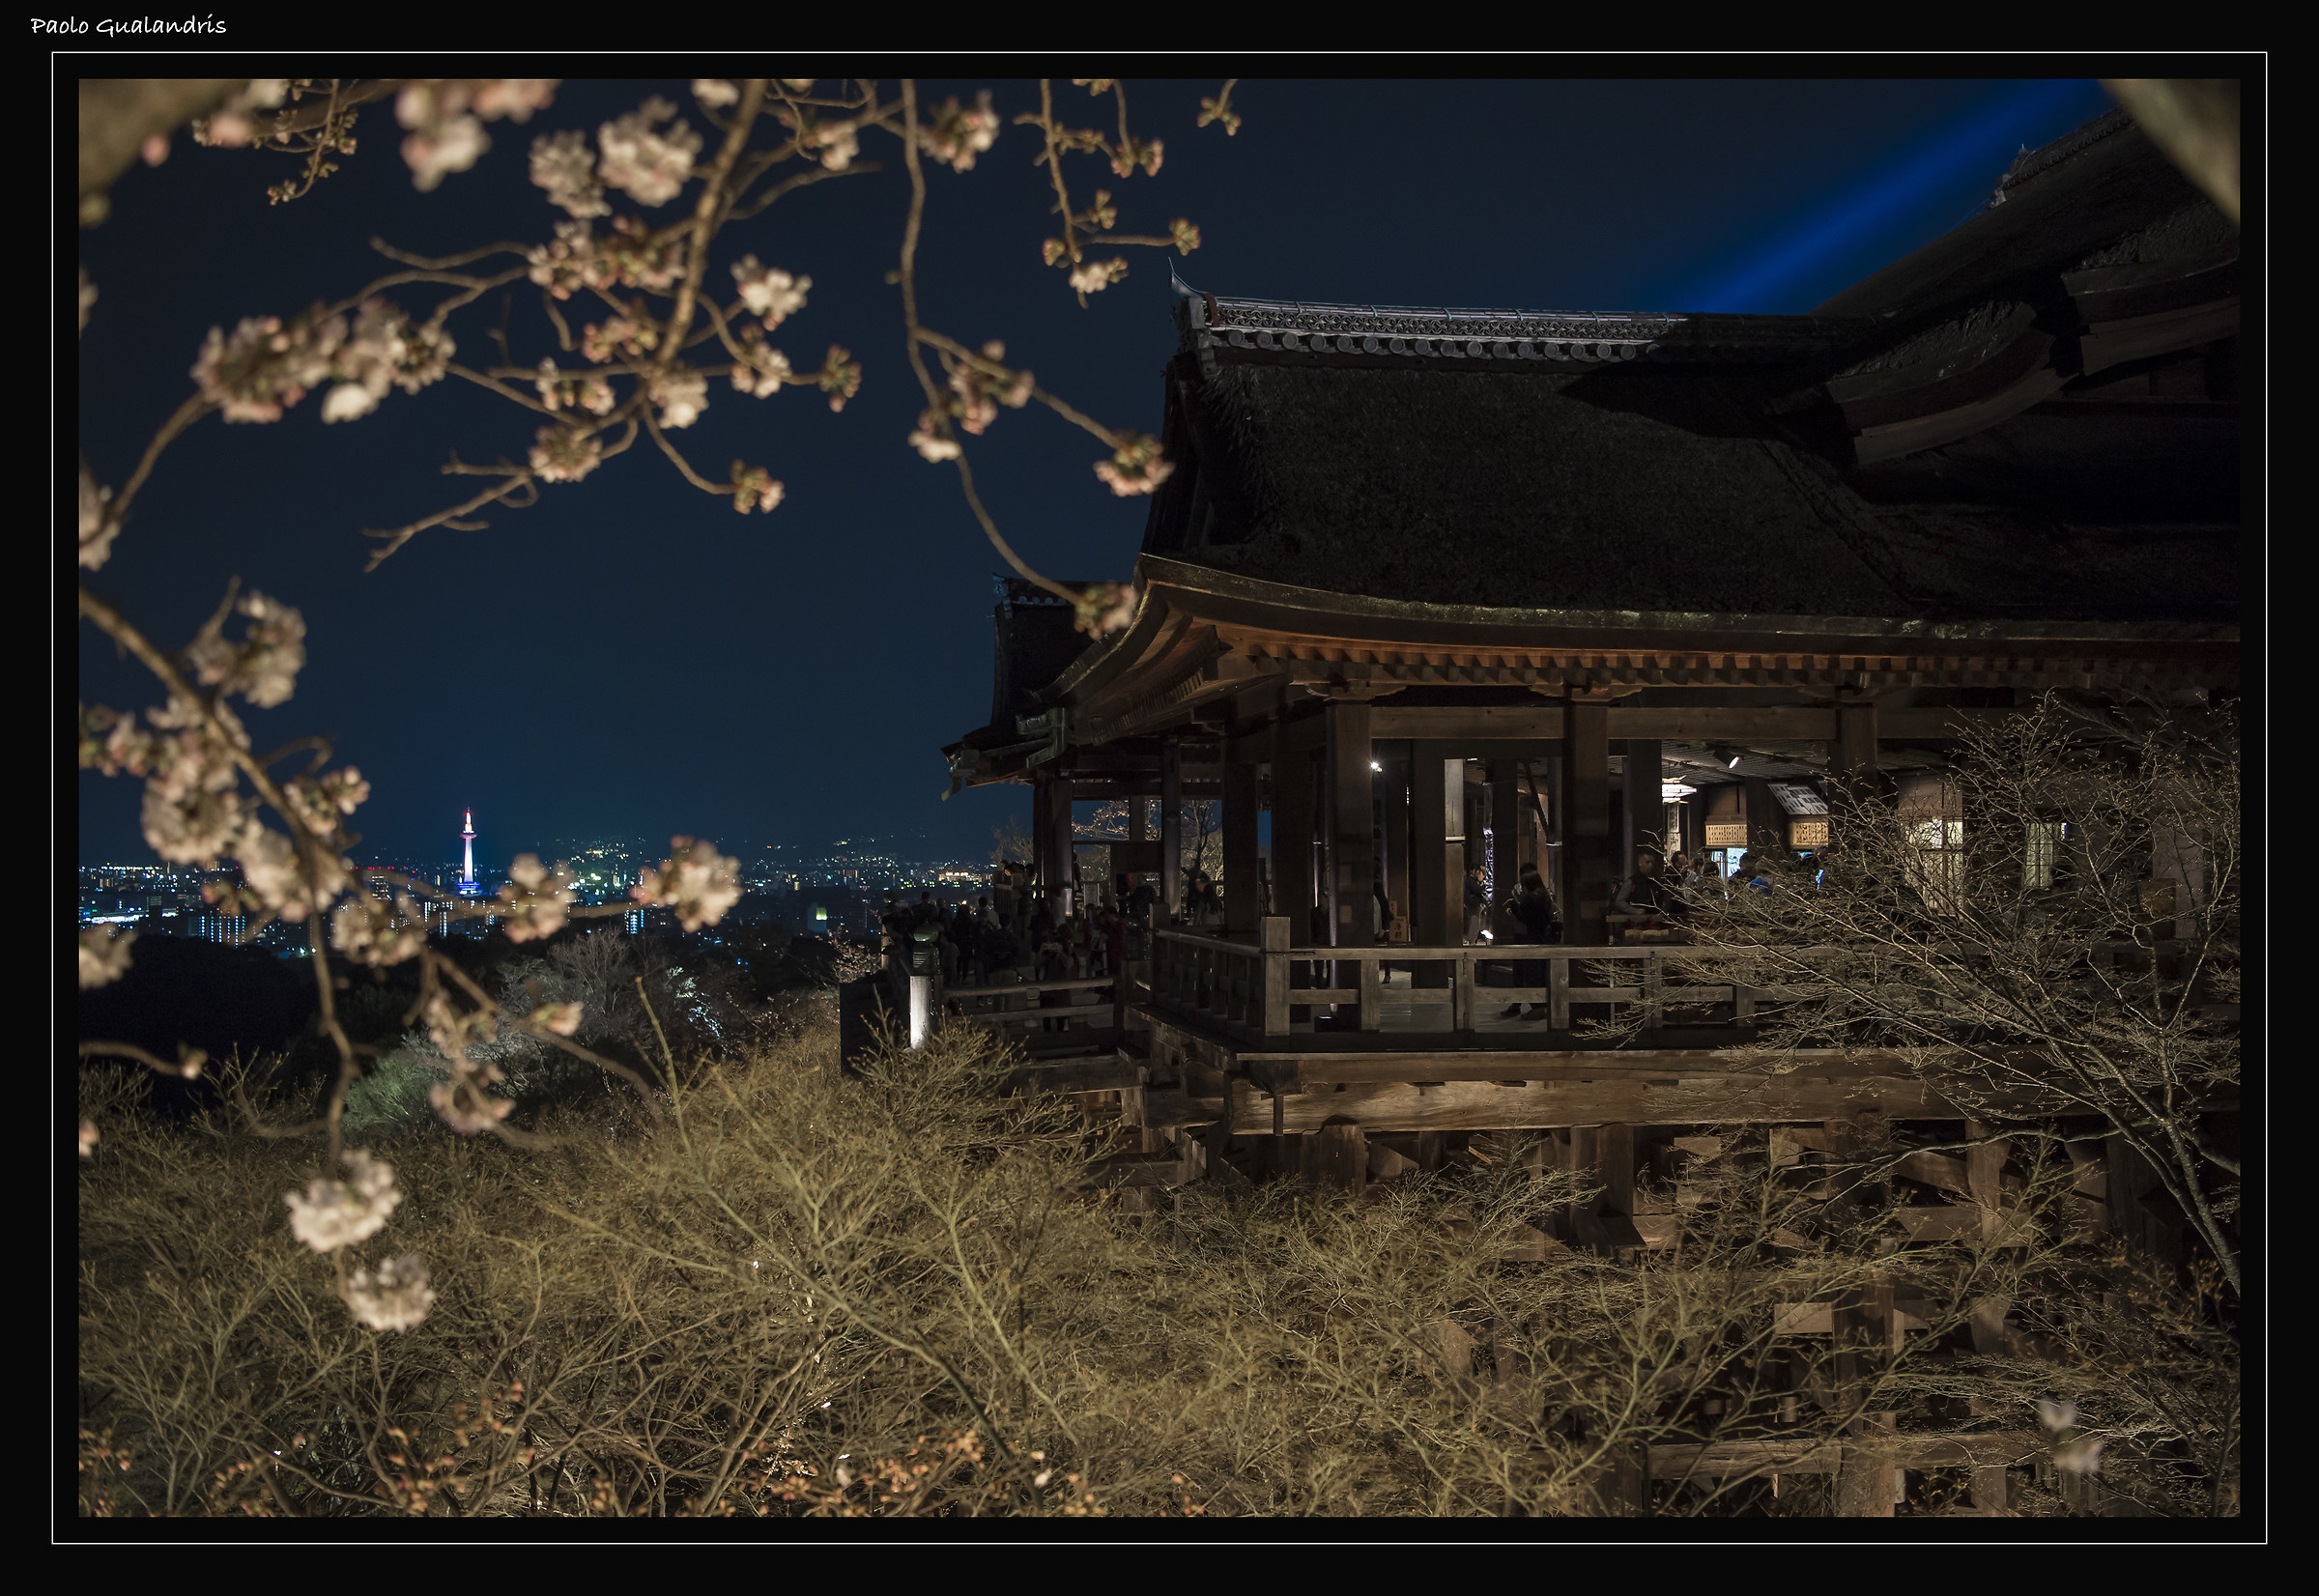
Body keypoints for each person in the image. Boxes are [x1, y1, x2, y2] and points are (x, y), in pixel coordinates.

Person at [1498, 869, 1560, 1020]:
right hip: (1542, 937)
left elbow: (1524, 917)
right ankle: (1540, 1007)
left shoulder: (1531, 898)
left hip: (1530, 937)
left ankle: (1537, 1008)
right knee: (1538, 972)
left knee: (1530, 973)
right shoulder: (1545, 894)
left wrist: (1513, 906)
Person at [1463, 864, 1488, 945]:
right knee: (1474, 924)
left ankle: (1473, 941)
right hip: (1472, 905)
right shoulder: (1470, 880)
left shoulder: (1472, 880)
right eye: (1477, 870)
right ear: (1472, 870)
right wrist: (1483, 885)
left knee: (1475, 924)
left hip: (1474, 905)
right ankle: (1472, 941)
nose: (1478, 872)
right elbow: (1477, 890)